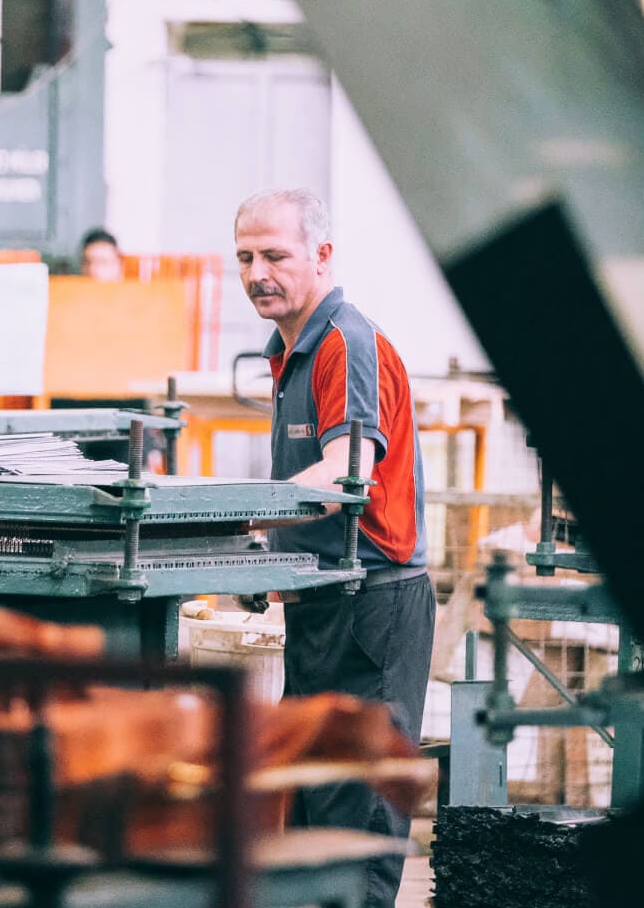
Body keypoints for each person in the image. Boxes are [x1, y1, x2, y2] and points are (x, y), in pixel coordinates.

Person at [235, 187, 434, 908]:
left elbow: (348, 468)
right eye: (245, 257)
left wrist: (248, 515)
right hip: (322, 600)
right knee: (316, 802)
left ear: (320, 255)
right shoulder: (287, 351)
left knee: (359, 807)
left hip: (373, 603)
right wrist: (265, 550)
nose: (258, 272)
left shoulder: (344, 341)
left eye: (274, 255)